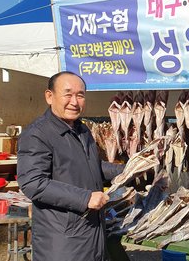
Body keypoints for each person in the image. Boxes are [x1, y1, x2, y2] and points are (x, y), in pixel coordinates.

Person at [17, 71, 125, 261]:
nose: (74, 102)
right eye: (68, 94)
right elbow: (33, 183)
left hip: (92, 233)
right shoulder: (37, 134)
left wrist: (130, 170)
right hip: (63, 240)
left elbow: (92, 168)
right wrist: (85, 198)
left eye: (80, 95)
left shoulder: (82, 130)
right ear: (49, 96)